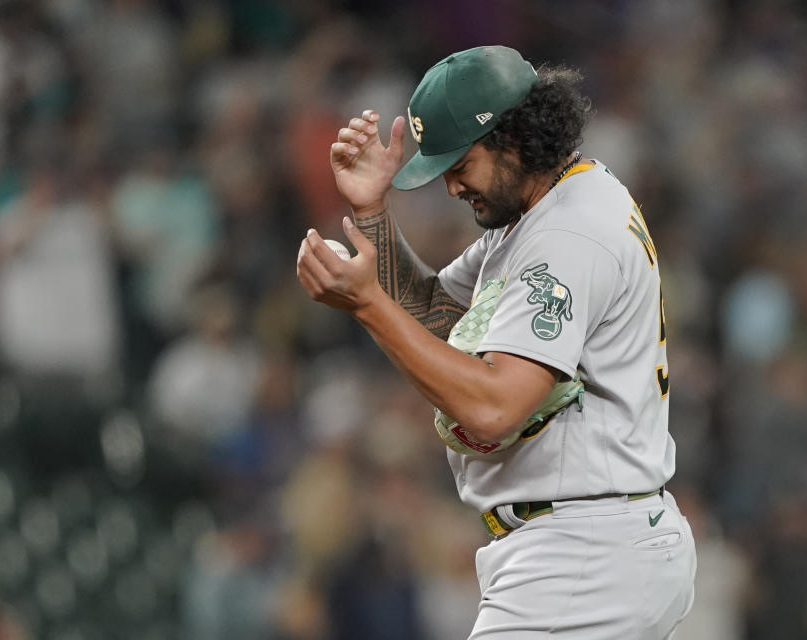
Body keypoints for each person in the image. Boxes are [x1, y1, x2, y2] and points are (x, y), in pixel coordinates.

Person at [296, 45, 696, 639]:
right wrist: (373, 210)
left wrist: (367, 307)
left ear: (515, 137)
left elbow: (493, 409)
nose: (451, 187)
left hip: (584, 551)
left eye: (460, 163)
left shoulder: (568, 232)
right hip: (593, 540)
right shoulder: (547, 208)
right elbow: (437, 314)